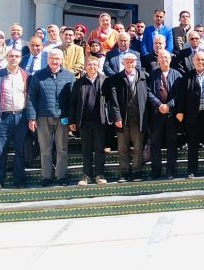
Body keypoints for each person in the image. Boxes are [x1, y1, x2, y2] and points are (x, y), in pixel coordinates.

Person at [27, 48, 74, 187]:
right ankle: (46, 176)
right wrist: (32, 118)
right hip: (43, 117)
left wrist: (72, 118)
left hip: (62, 117)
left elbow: (73, 99)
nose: (55, 61)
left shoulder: (69, 76)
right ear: (47, 59)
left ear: (62, 60)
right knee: (45, 148)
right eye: (52, 58)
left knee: (62, 148)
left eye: (57, 58)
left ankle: (61, 176)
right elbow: (31, 97)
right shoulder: (38, 75)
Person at [0, 50, 28, 190]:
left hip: (21, 117)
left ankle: (19, 180)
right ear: (6, 58)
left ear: (20, 59)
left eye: (17, 56)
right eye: (11, 56)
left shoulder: (26, 76)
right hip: (3, 118)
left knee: (20, 151)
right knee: (1, 151)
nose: (14, 58)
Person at [176, 51, 204, 178]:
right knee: (192, 144)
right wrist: (180, 111)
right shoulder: (187, 76)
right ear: (193, 62)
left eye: (203, 60)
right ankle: (191, 170)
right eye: (198, 60)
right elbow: (181, 96)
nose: (201, 62)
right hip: (193, 116)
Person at [69, 56, 110, 186]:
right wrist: (72, 121)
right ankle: (86, 174)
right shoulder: (78, 83)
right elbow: (73, 102)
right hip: (84, 121)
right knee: (86, 149)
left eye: (94, 64)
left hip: (100, 121)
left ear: (98, 66)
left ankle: (99, 174)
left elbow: (110, 101)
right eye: (89, 64)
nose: (92, 67)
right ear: (85, 66)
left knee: (99, 149)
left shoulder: (105, 81)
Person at [108, 53, 148, 182]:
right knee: (122, 148)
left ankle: (136, 171)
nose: (130, 64)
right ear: (123, 63)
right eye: (127, 62)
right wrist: (117, 117)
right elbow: (113, 100)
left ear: (136, 63)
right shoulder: (116, 78)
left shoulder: (144, 76)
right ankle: (124, 172)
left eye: (132, 62)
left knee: (138, 147)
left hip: (138, 118)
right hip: (123, 118)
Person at [146, 50, 182, 180]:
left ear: (170, 59)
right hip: (157, 115)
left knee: (171, 143)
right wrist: (159, 105)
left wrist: (169, 106)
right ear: (158, 60)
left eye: (166, 58)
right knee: (155, 143)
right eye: (161, 58)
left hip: (171, 115)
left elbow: (179, 94)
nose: (164, 60)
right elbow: (148, 92)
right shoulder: (153, 75)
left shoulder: (177, 75)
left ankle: (171, 170)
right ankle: (156, 170)